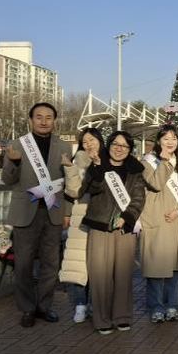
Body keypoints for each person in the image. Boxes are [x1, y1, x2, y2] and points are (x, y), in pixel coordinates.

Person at [3, 102, 71, 327]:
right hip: (25, 212)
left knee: (51, 264)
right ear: (31, 120)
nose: (44, 121)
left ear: (55, 121)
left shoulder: (64, 146)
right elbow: (8, 180)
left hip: (53, 211)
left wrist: (68, 212)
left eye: (48, 117)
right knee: (23, 264)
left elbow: (69, 184)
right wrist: (14, 163)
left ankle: (44, 306)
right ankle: (27, 309)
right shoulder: (17, 145)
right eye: (39, 117)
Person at [76, 131, 146, 334]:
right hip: (100, 225)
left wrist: (127, 217)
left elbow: (139, 198)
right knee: (100, 275)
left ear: (130, 149)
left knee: (123, 274)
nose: (119, 148)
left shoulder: (135, 169)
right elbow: (90, 189)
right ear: (109, 144)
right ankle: (102, 319)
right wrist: (98, 167)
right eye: (115, 144)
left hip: (125, 228)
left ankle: (122, 316)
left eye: (124, 146)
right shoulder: (98, 163)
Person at [141, 124, 178, 323]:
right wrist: (164, 161)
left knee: (176, 267)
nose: (170, 142)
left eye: (174, 138)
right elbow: (156, 183)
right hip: (156, 219)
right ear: (158, 141)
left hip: (177, 219)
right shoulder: (147, 162)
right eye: (166, 138)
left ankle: (172, 305)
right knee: (155, 267)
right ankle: (156, 307)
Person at [59, 127, 104, 324]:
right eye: (85, 141)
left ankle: (95, 302)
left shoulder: (109, 159)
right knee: (78, 262)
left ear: (100, 141)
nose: (88, 144)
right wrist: (70, 169)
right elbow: (73, 191)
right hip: (81, 215)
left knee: (98, 263)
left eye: (92, 140)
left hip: (102, 216)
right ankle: (80, 304)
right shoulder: (78, 160)